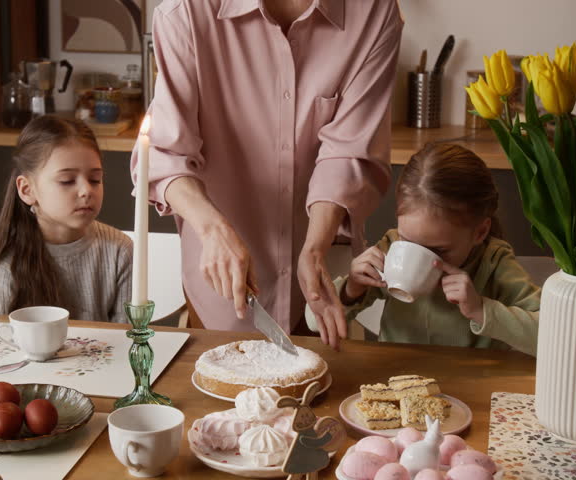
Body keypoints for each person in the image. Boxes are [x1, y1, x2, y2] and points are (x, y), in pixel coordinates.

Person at [134, 0, 403, 335]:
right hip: (222, 289)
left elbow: (349, 151)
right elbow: (166, 154)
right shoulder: (185, 12)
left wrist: (315, 246)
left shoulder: (373, 11)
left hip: (324, 280)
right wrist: (212, 229)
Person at [308, 143, 540, 355]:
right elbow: (312, 321)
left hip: (473, 388)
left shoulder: (494, 262)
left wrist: (481, 310)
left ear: (479, 232)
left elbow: (553, 336)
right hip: (397, 385)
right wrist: (351, 289)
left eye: (439, 251)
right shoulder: (390, 248)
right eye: (408, 242)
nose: (420, 258)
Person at [0, 116, 132, 322]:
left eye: (95, 179)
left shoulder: (120, 250)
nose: (86, 190)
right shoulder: (10, 264)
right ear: (27, 189)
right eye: (67, 181)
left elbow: (126, 338)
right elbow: (7, 345)